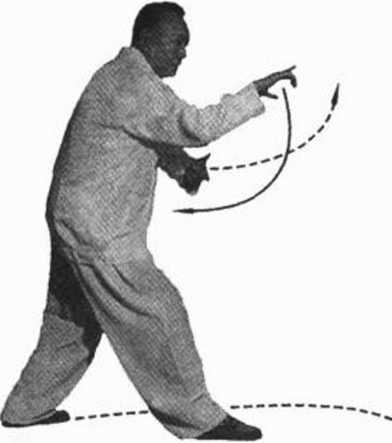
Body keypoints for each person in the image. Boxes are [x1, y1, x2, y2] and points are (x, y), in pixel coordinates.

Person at [1, 2, 296, 440]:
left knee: (73, 321)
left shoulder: (122, 79)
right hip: (97, 231)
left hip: (74, 220)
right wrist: (252, 93)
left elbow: (148, 135)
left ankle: (25, 409)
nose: (183, 53)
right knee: (161, 311)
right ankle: (199, 420)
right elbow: (194, 125)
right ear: (150, 38)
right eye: (178, 43)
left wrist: (183, 169)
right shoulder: (133, 82)